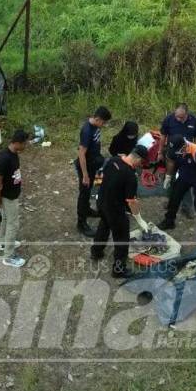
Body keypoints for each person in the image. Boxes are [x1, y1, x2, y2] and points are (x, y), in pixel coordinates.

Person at [91, 145, 150, 278]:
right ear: (138, 159)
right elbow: (131, 201)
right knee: (122, 239)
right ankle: (119, 270)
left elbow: (100, 175)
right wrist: (140, 219)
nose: (140, 166)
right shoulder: (130, 176)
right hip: (115, 210)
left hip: (101, 202)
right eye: (141, 163)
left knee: (104, 225)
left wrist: (99, 192)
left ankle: (96, 251)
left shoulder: (113, 160)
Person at [157, 135, 196, 241]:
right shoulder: (173, 149)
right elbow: (170, 161)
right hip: (184, 175)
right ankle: (169, 221)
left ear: (184, 146)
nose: (175, 152)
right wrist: (168, 177)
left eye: (178, 151)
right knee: (174, 197)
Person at [157, 103, 196, 217]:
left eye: (181, 117)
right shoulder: (169, 119)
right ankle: (170, 201)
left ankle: (187, 207)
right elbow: (162, 136)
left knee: (186, 179)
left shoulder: (194, 121)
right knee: (169, 178)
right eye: (176, 116)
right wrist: (160, 152)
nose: (178, 119)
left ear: (187, 114)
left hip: (187, 153)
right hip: (172, 152)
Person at [75, 106, 112, 237]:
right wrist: (85, 175)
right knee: (84, 193)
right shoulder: (87, 130)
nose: (104, 125)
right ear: (97, 119)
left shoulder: (96, 126)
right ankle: (81, 223)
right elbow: (81, 154)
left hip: (93, 162)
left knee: (89, 189)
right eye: (103, 122)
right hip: (86, 166)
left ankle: (87, 210)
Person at [0, 129, 29, 268]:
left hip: (12, 194)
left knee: (6, 220)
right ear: (17, 143)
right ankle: (8, 256)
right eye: (24, 144)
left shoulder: (14, 153)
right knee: (13, 225)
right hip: (8, 197)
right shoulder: (5, 158)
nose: (25, 146)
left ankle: (3, 242)